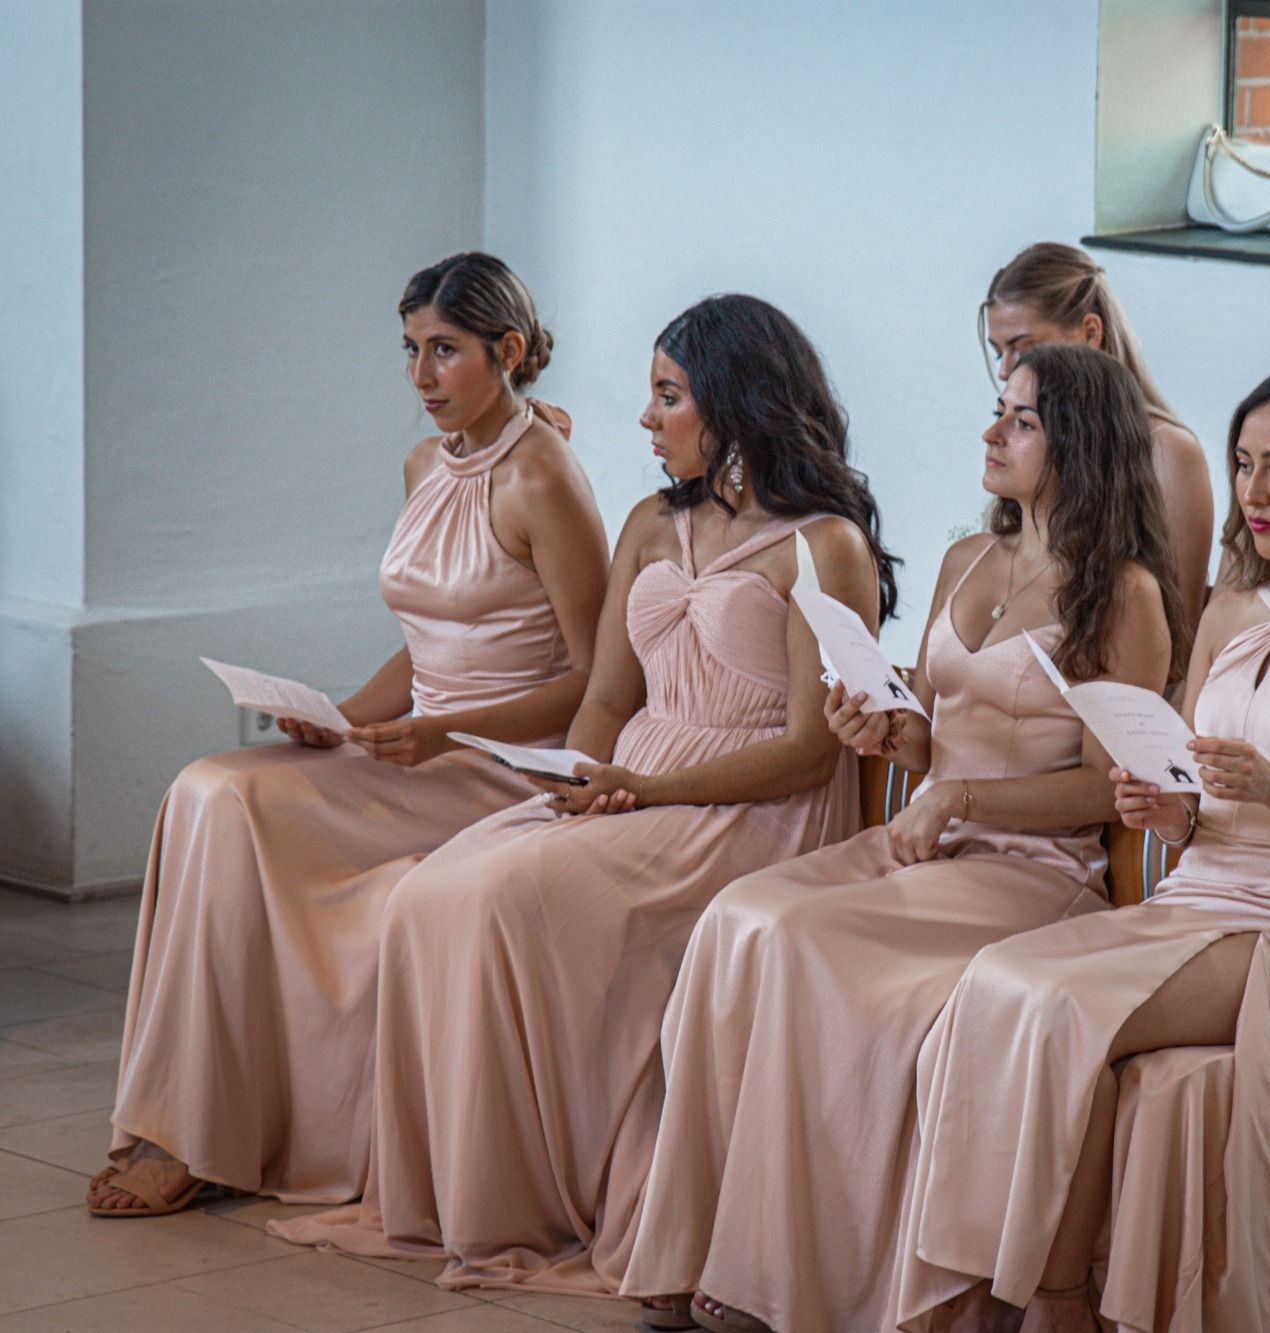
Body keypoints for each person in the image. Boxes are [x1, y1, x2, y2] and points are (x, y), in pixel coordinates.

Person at [267, 295, 897, 1297]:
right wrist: (572, 780)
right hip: (627, 788)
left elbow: (806, 755)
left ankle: (533, 1201)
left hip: (744, 815)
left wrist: (646, 788)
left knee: (500, 899)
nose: (646, 417)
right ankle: (455, 1193)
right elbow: (605, 696)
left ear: (739, 402)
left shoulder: (824, 548)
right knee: (430, 893)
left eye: (669, 396)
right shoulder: (650, 522)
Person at [621, 343, 1184, 1333]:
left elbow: (1107, 788)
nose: (991, 432)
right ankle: (701, 1242)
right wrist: (880, 728)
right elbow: (928, 729)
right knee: (738, 918)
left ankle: (788, 1273)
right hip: (934, 838)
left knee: (800, 938)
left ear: (1079, 444)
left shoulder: (1123, 594)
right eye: (998, 409)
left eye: (1020, 420)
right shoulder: (968, 558)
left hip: (1032, 868)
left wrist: (957, 795)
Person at [893, 361, 1270, 1333]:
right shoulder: (1231, 609)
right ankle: (978, 1284)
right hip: (1198, 896)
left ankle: (1055, 1301)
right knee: (996, 980)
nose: (1251, 491)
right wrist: (1165, 810)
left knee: (1067, 1007)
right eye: (1242, 463)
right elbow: (1195, 806)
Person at [90, 252, 607, 1218]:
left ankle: (218, 1133)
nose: (420, 377)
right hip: (414, 745)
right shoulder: (424, 466)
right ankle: (194, 1122)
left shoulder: (545, 479)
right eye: (409, 350)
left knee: (239, 806)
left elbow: (594, 680)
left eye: (443, 351)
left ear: (508, 351)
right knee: (211, 788)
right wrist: (342, 716)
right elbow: (429, 642)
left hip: (498, 770)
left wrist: (446, 732)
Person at [983, 241, 1214, 626]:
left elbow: (1179, 625)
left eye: (1023, 348)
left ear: (1090, 331)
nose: (1005, 370)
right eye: (998, 352)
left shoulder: (1169, 451)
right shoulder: (1024, 441)